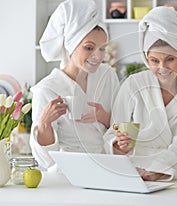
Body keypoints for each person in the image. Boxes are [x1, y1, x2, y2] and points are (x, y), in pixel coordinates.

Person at [103, 6, 177, 181]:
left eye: (170, 59)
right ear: (146, 58)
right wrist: (119, 145)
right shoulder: (133, 85)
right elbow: (112, 132)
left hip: (173, 174)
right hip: (132, 173)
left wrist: (158, 171)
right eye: (154, 60)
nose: (162, 68)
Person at [30, 0, 119, 170]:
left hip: (107, 166)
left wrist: (104, 117)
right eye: (89, 48)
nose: (97, 56)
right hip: (68, 172)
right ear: (70, 45)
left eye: (102, 49)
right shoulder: (47, 89)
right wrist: (44, 124)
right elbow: (45, 160)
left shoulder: (107, 76)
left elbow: (122, 127)